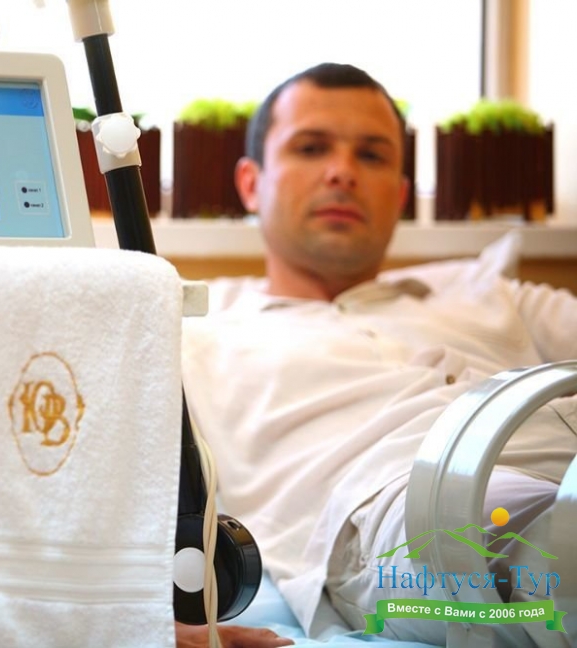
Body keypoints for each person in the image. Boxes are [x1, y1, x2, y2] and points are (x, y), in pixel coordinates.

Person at [180, 62, 577, 648]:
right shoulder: (191, 325)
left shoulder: (491, 292)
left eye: (370, 155)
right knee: (539, 539)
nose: (342, 172)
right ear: (250, 182)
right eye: (311, 148)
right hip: (407, 505)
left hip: (561, 455)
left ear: (399, 194)